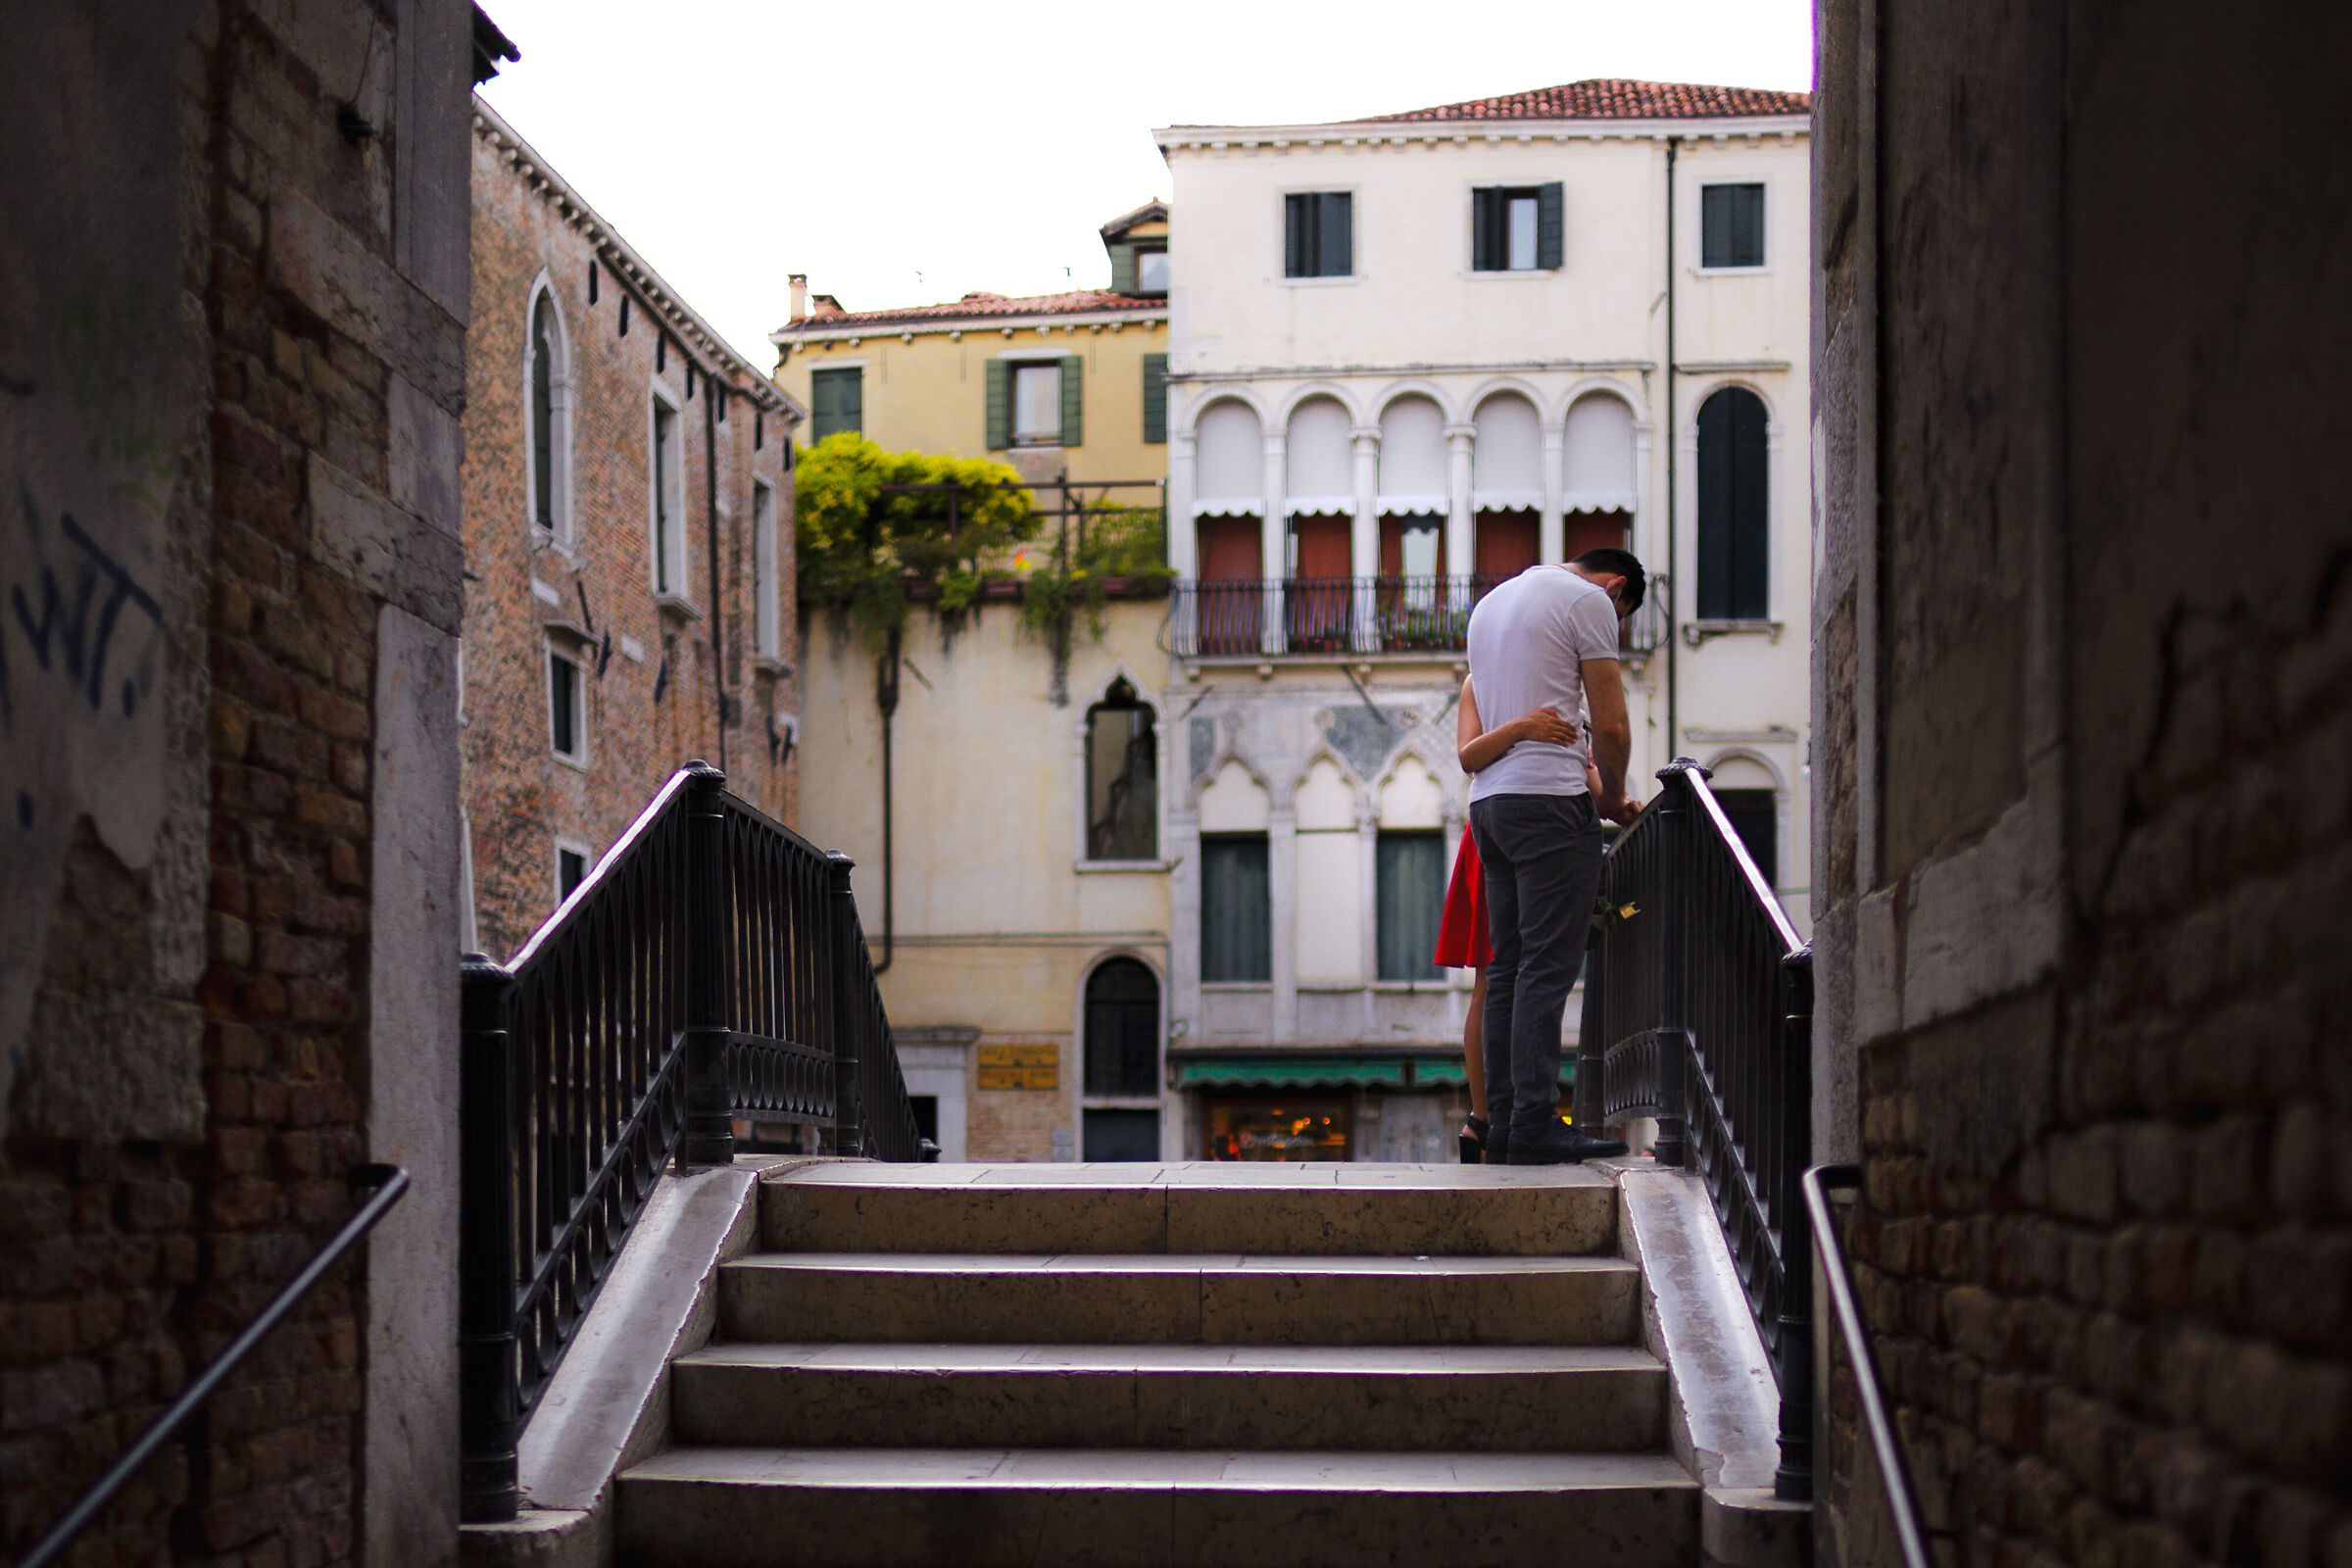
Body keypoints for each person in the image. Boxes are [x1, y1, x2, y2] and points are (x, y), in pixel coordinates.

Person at [1461, 547, 1645, 1164]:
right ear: (1616, 588)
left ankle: (1509, 1125)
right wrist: (1614, 795)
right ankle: (1536, 1120)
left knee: (1510, 966)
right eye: (1623, 618)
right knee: (1545, 966)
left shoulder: (1490, 605)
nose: (1615, 629)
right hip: (1548, 804)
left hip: (1490, 806)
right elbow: (1611, 725)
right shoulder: (1588, 601)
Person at [1439, 682, 1612, 1160]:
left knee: (1500, 974)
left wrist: (1616, 802)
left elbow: (1590, 779)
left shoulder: (1562, 687)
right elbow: (1469, 754)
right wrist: (1521, 728)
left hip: (1504, 826)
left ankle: (1492, 1119)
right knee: (1493, 977)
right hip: (1499, 834)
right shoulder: (1480, 682)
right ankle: (1487, 1115)